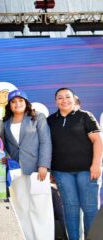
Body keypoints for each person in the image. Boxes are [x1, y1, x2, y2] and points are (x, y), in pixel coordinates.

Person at [47, 88, 102, 240]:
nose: (64, 100)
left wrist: (96, 165)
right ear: (55, 101)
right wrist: (50, 170)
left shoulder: (85, 116)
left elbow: (97, 141)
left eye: (67, 97)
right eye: (60, 97)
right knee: (71, 211)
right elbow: (47, 146)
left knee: (90, 209)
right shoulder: (50, 120)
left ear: (74, 98)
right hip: (62, 173)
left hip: (87, 171)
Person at [2, 90, 54, 240]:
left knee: (40, 208)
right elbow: (4, 146)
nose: (17, 104)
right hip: (16, 172)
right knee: (21, 207)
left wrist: (43, 165)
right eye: (13, 101)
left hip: (37, 170)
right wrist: (7, 159)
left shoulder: (37, 117)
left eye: (20, 101)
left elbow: (45, 142)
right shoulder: (5, 123)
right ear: (9, 105)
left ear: (26, 103)